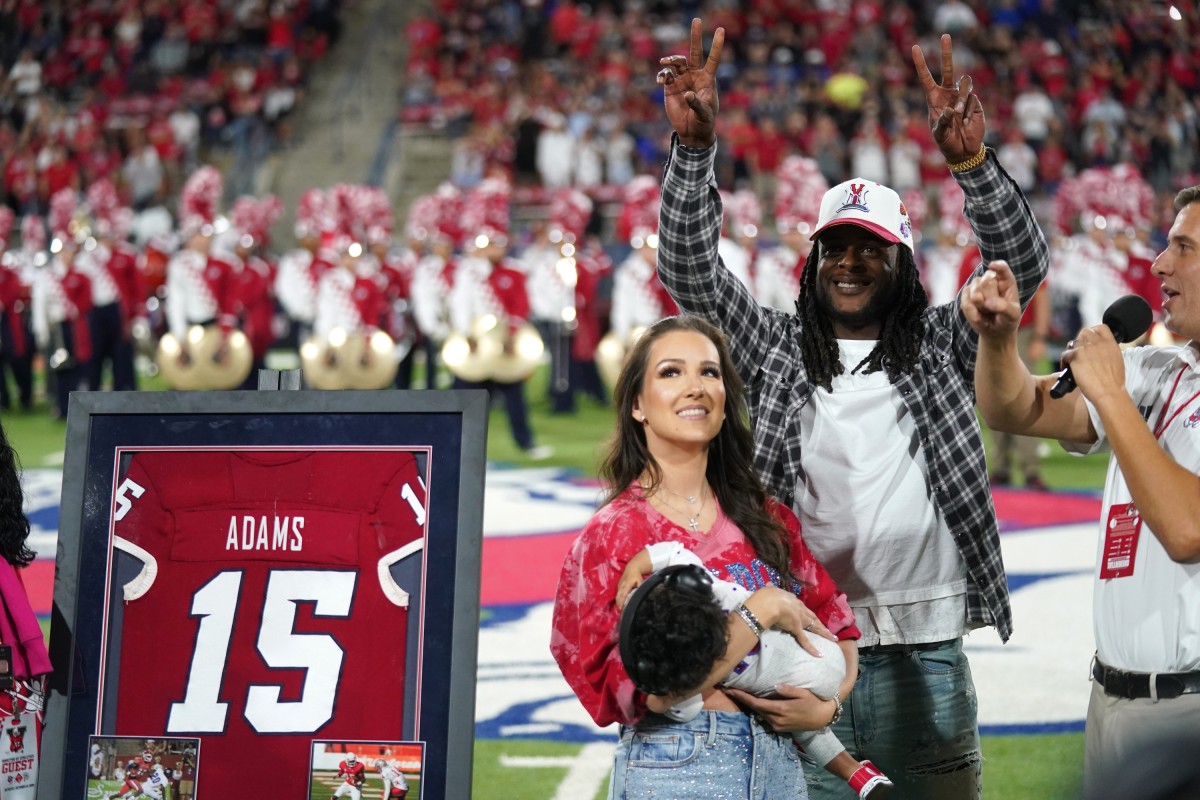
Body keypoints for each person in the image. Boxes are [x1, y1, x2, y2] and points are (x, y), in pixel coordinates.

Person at [653, 20, 1049, 798]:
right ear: (812, 266)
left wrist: (972, 164)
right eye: (835, 247)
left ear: (903, 264)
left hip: (925, 650)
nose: (850, 263)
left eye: (871, 248)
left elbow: (1020, 265)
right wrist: (694, 152)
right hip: (801, 647)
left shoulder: (944, 340)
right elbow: (690, 271)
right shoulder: (772, 346)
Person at [552, 315, 860, 799]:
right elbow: (651, 692)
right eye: (671, 372)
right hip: (677, 763)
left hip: (782, 767)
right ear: (638, 405)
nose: (695, 387)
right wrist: (758, 613)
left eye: (710, 373)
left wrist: (825, 708)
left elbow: (838, 631)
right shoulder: (614, 535)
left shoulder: (767, 518)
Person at [962, 185, 1200, 800]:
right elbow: (1019, 410)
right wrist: (998, 340)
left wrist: (1112, 395)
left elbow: (1186, 529)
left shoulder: (1132, 383)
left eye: (1184, 247)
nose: (1158, 265)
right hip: (1110, 699)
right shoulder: (1157, 372)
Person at [617, 541, 892, 798]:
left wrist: (662, 693)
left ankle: (853, 771)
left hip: (795, 681)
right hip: (821, 649)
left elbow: (669, 702)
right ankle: (854, 770)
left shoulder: (696, 664)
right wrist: (636, 567)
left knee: (790, 717)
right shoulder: (713, 586)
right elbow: (675, 552)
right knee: (801, 721)